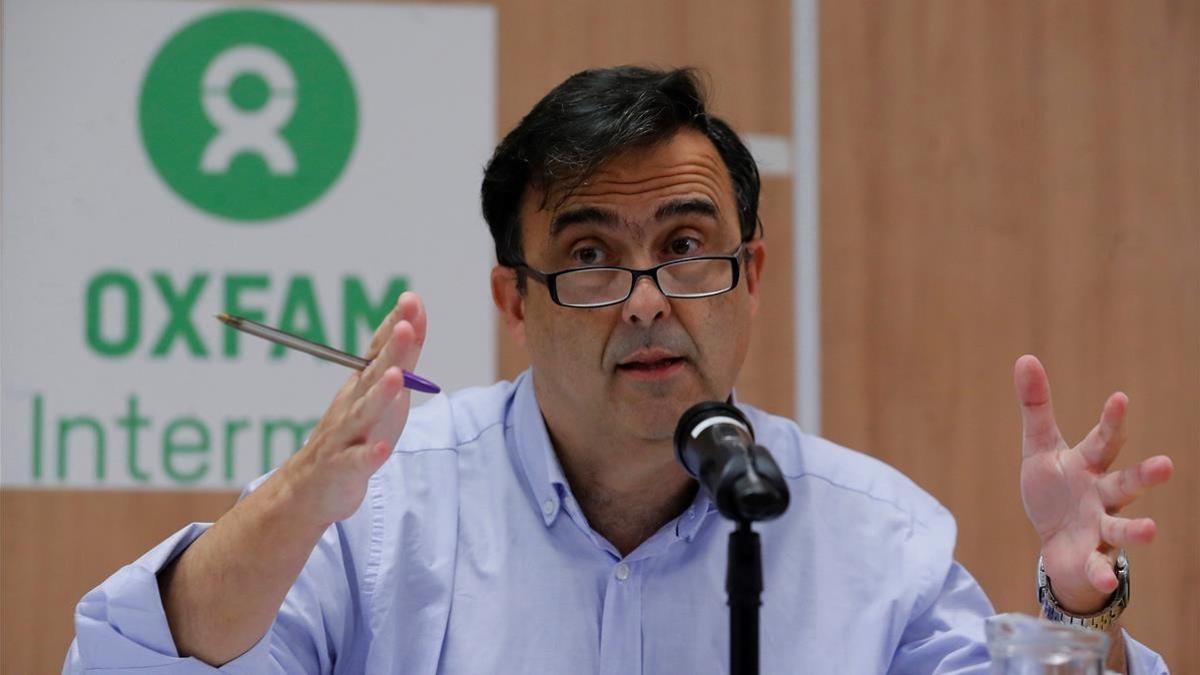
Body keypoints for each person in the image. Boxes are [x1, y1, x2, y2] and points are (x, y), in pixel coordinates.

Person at [65, 66, 1174, 674]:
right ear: (513, 299)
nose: (646, 298)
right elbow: (137, 670)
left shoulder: (875, 536)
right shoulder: (379, 511)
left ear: (751, 273)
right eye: (589, 256)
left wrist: (1081, 612)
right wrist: (296, 499)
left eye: (686, 248)